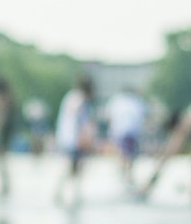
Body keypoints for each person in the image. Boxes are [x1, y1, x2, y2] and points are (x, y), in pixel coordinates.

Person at [52, 76, 97, 206]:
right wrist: (87, 135)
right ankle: (74, 194)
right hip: (76, 139)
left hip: (66, 138)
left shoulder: (70, 96)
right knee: (75, 166)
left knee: (70, 166)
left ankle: (61, 192)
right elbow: (81, 119)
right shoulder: (81, 100)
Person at [104, 85, 149, 190]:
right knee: (129, 155)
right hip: (132, 132)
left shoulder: (116, 100)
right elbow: (143, 116)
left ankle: (124, 175)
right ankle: (127, 176)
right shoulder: (137, 101)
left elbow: (108, 115)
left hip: (120, 131)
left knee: (124, 154)